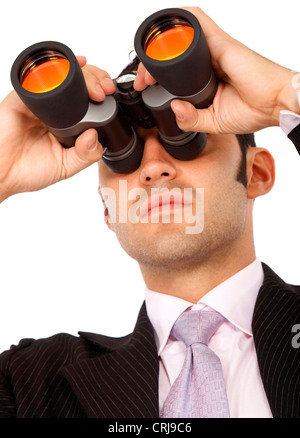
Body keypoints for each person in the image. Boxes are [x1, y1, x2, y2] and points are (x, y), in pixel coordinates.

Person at [0, 6, 299, 418]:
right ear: (107, 210)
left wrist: (288, 95)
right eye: (119, 153)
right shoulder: (29, 383)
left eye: (187, 136)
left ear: (257, 173)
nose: (153, 167)